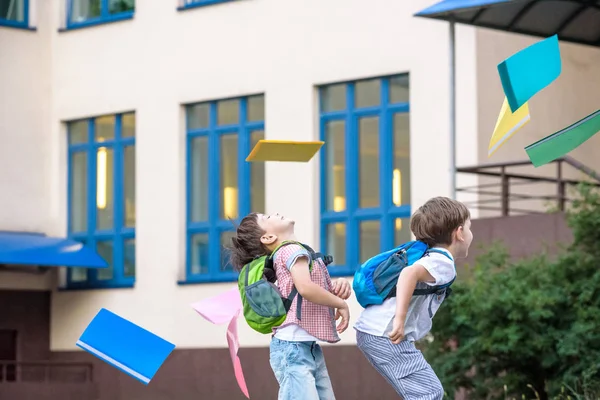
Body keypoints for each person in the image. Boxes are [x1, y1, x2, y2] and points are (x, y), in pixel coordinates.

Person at [354, 197, 473, 400]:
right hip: (386, 334)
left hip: (375, 331)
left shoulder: (428, 255)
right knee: (429, 392)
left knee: (422, 392)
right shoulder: (442, 261)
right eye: (470, 228)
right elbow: (409, 274)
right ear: (459, 233)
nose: (471, 234)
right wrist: (399, 321)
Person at [229, 212, 352, 400]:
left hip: (304, 347)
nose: (275, 213)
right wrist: (340, 303)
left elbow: (302, 291)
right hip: (293, 348)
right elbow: (305, 288)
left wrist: (337, 286)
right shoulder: (291, 251)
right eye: (267, 217)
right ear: (268, 237)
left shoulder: (291, 252)